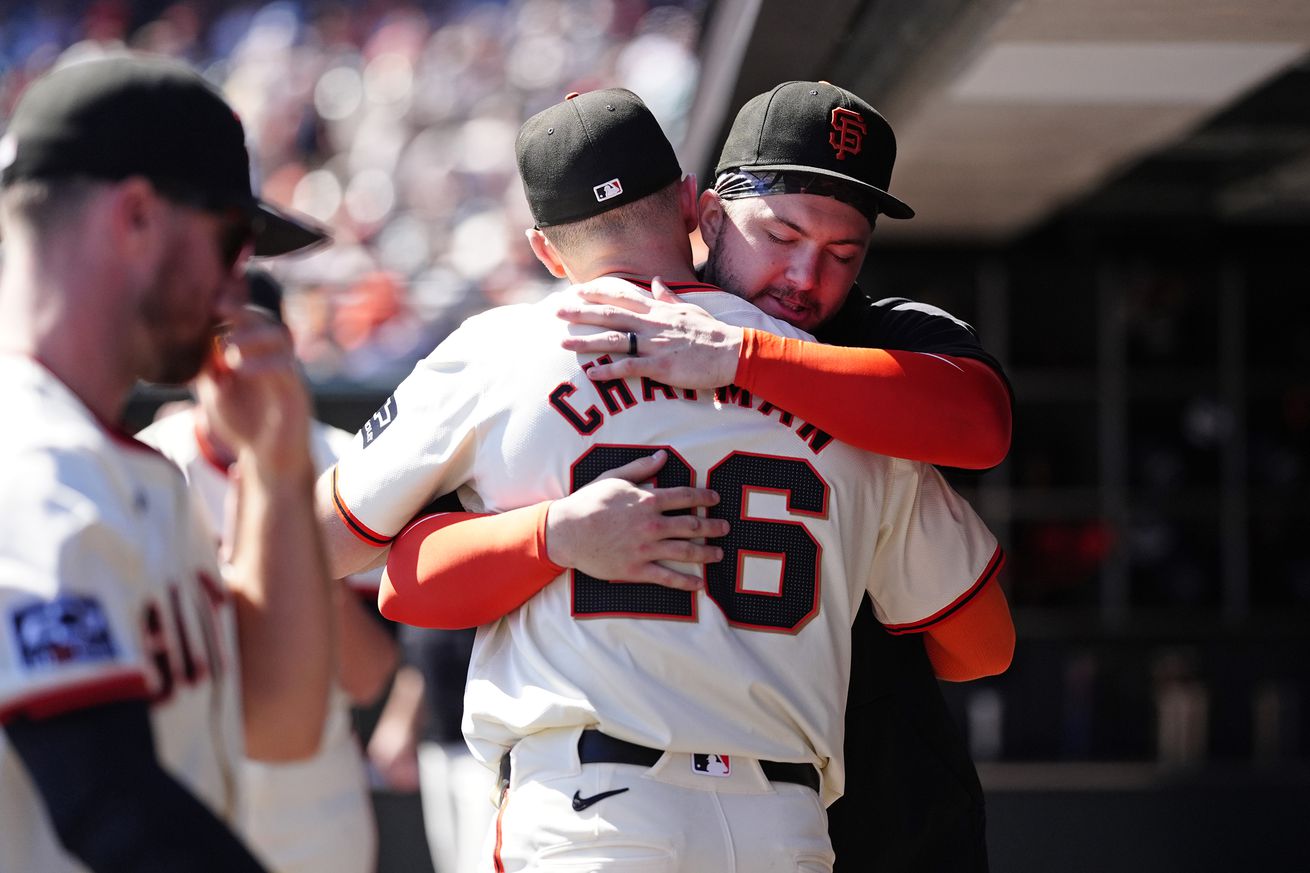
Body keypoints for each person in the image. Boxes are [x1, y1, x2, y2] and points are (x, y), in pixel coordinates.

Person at [321, 87, 1013, 871]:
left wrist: (553, 535)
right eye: (783, 233)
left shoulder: (508, 347)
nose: (805, 273)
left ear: (546, 251)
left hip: (597, 805)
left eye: (843, 253)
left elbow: (372, 566)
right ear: (698, 212)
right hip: (783, 819)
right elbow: (982, 643)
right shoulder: (871, 405)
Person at [0, 55, 331, 872]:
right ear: (138, 214)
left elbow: (279, 725)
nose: (236, 285)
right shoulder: (28, 461)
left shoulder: (133, 470)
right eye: (232, 240)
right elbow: (111, 809)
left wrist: (277, 472)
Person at [136, 266, 398, 873]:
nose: (236, 362)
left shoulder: (346, 462)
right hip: (186, 776)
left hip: (309, 794)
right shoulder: (153, 460)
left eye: (254, 341)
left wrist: (293, 559)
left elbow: (367, 677)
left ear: (288, 347)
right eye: (218, 338)